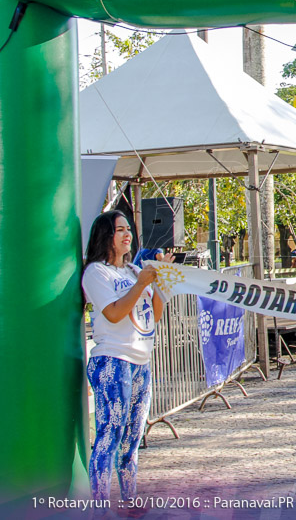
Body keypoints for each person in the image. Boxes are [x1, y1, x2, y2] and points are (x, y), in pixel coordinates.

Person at [81, 210, 165, 504]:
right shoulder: (96, 272)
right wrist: (141, 284)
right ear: (106, 236)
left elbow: (153, 316)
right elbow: (114, 313)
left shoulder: (131, 271)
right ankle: (100, 505)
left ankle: (130, 501)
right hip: (113, 361)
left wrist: (161, 285)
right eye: (120, 230)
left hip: (141, 361)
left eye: (129, 229)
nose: (127, 234)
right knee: (109, 437)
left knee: (132, 440)